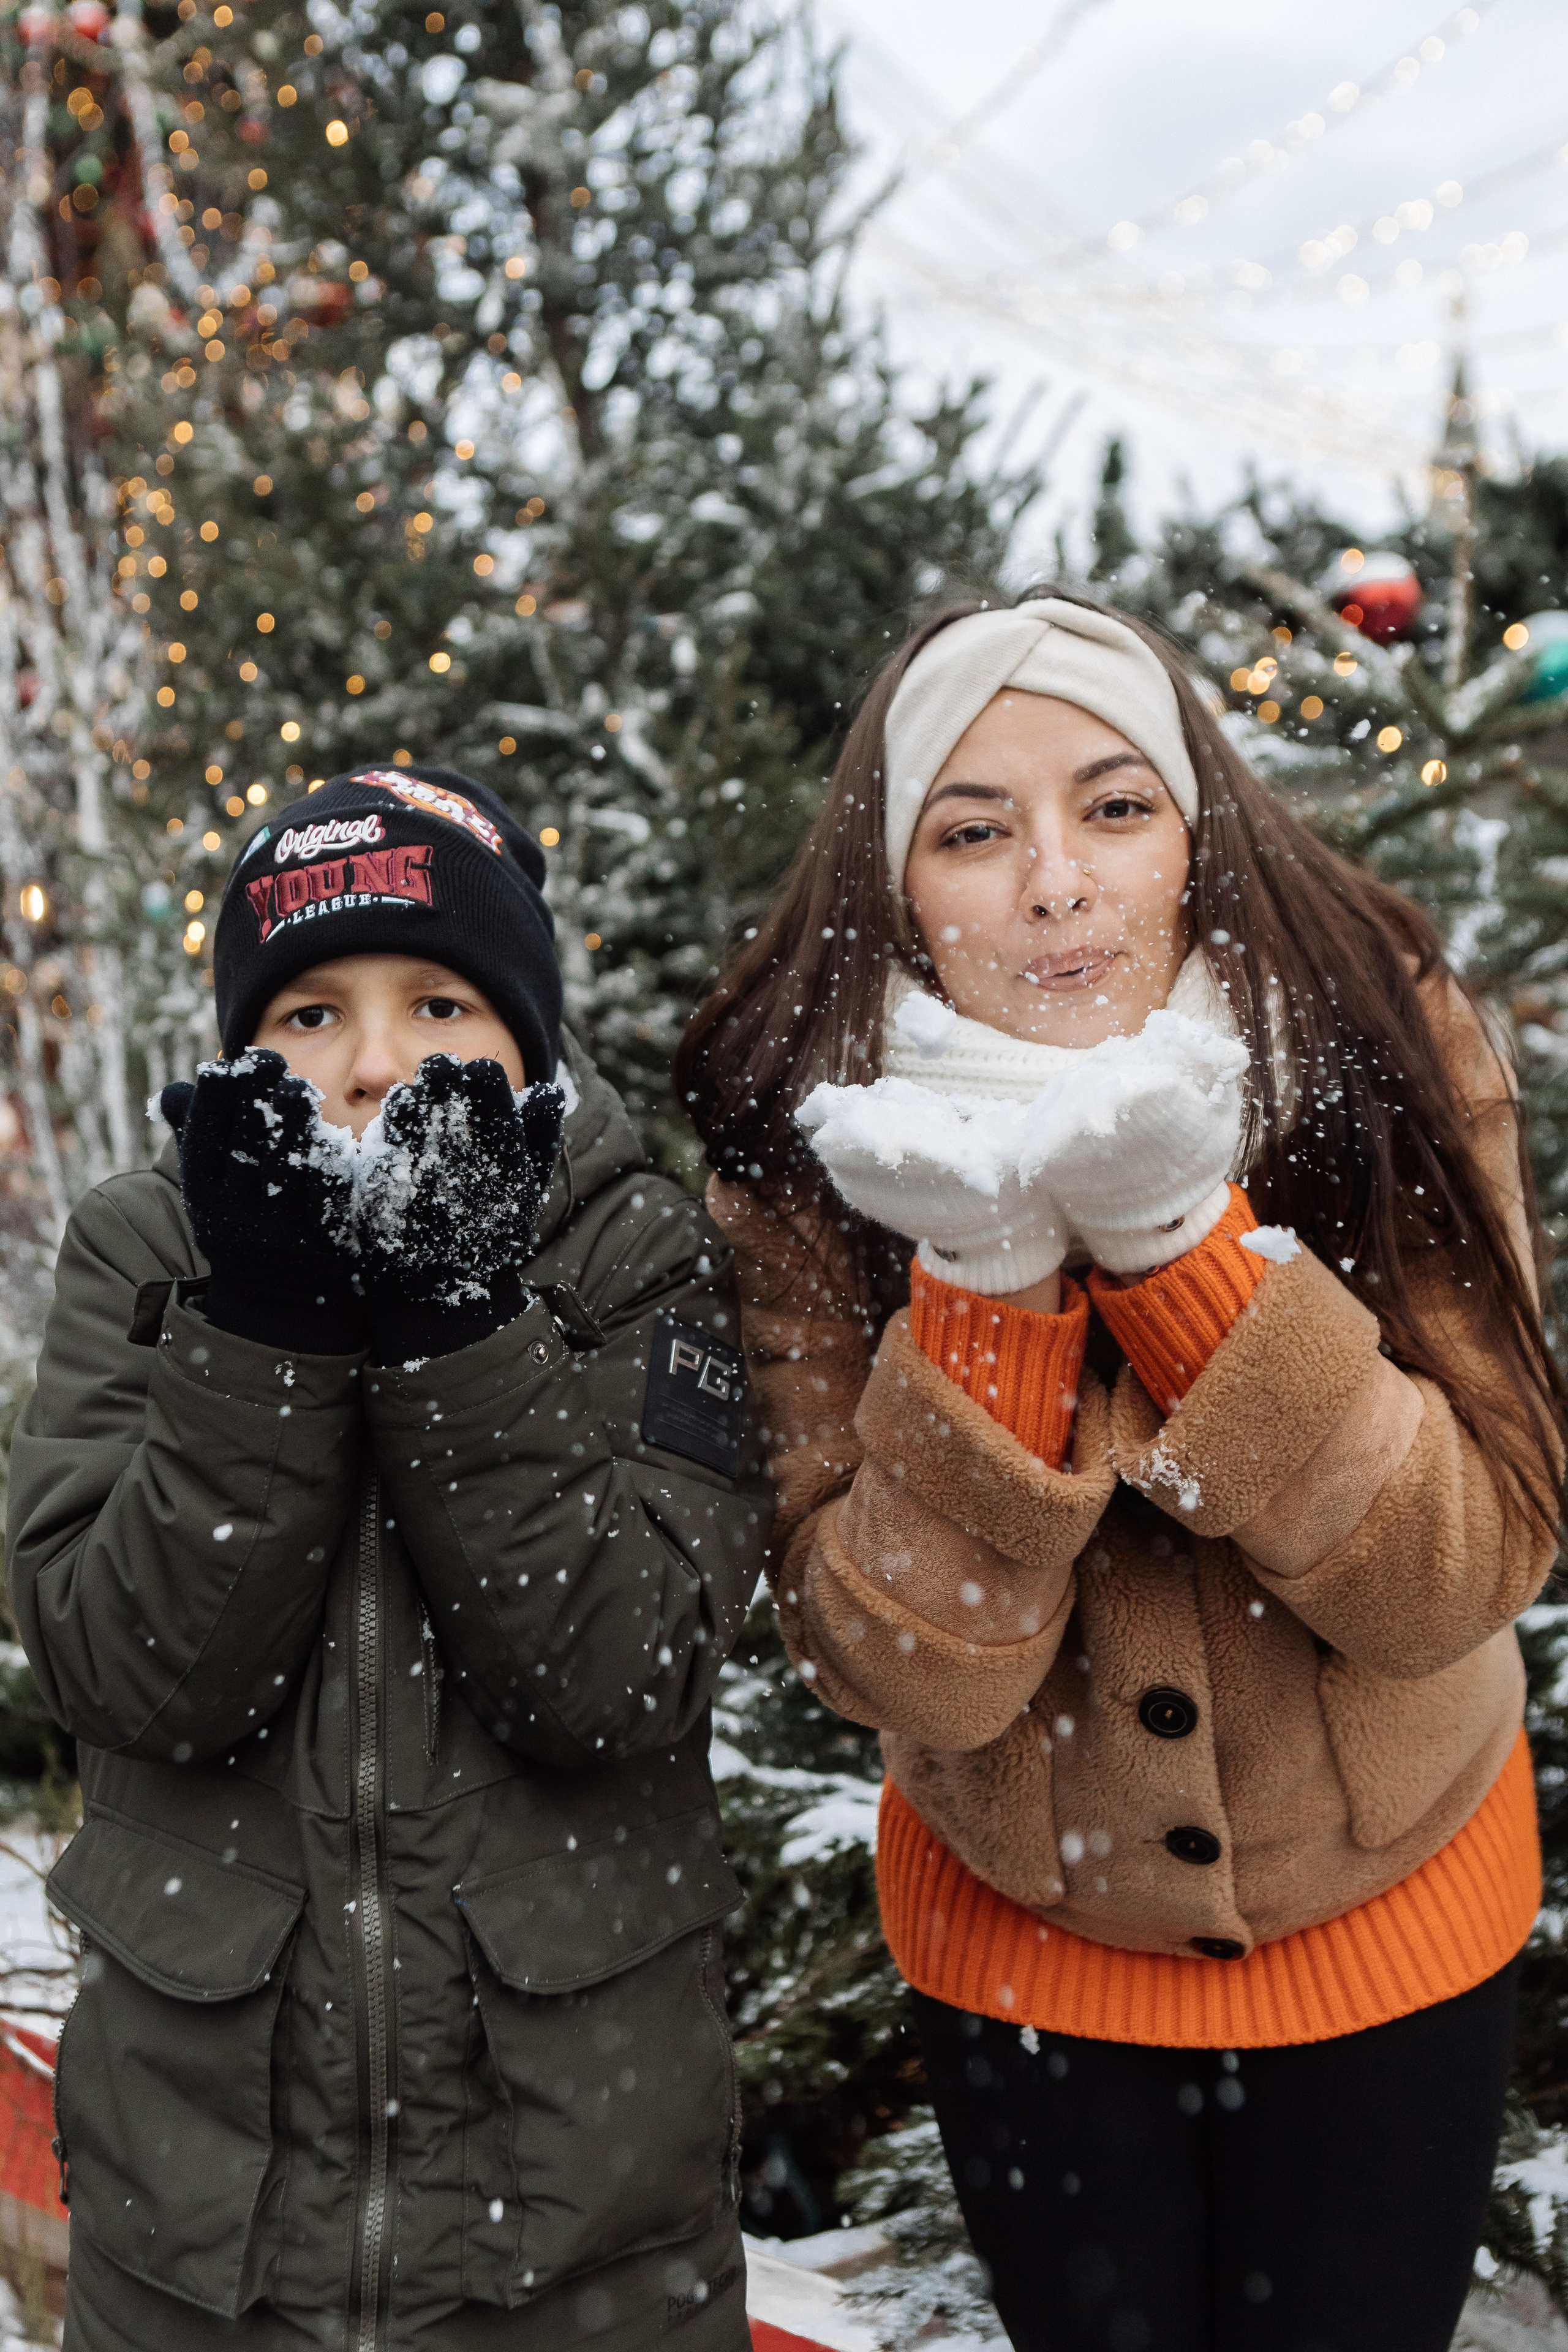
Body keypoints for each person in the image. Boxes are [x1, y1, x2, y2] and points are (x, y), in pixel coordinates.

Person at [676, 595, 1567, 2352]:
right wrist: (985, 1284)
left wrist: (1178, 1248)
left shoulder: (1382, 1041)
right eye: (973, 832)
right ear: (896, 891)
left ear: (1197, 839)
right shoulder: (815, 1142)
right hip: (1031, 1948)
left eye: (1115, 806)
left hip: (1389, 1911)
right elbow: (903, 1668)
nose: (1056, 882)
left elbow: (1454, 1577)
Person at [10, 764, 769, 2352]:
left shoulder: (634, 1253)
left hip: (577, 2253)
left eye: (439, 1006)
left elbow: (616, 1676)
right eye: (310, 1014)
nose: (373, 1065)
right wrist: (264, 1333)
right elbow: (126, 1670)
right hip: (203, 2253)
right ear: (245, 1044)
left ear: (527, 1033)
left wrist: (457, 1328)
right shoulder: (149, 1252)